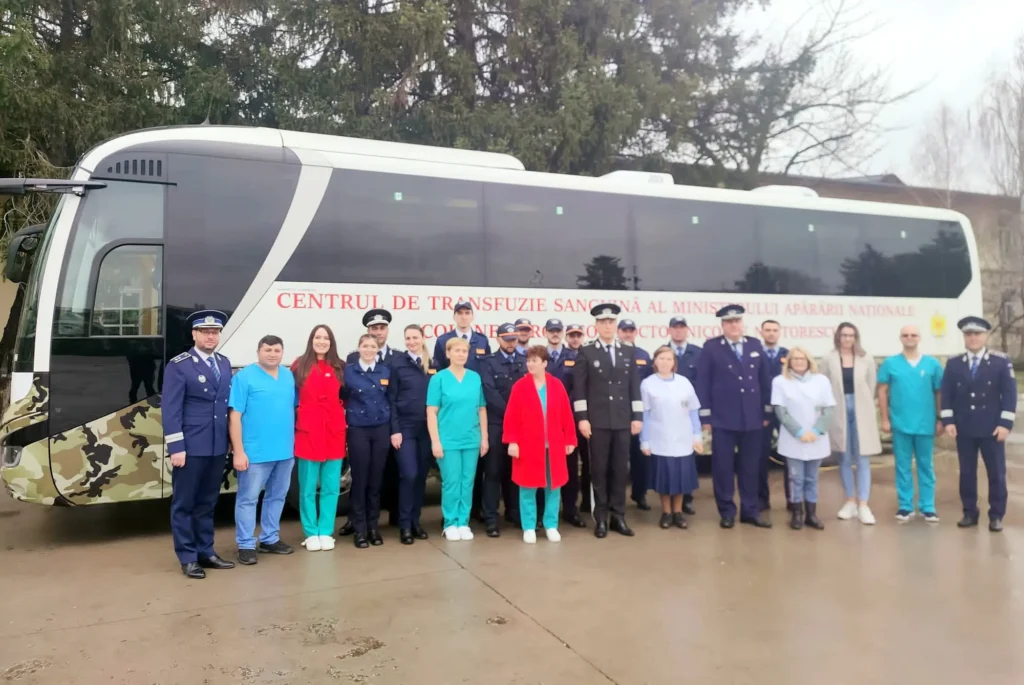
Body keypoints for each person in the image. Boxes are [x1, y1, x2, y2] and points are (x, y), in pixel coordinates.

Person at [163, 310, 235, 579]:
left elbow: (225, 407)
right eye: (205, 332)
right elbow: (171, 410)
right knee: (184, 504)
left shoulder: (224, 363)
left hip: (216, 446)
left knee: (207, 502)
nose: (210, 336)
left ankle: (206, 551)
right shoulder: (179, 365)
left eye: (215, 332)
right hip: (191, 447)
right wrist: (176, 447)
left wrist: (229, 441)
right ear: (194, 334)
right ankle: (188, 557)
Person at [695, 305, 772, 529]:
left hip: (752, 418)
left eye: (737, 321)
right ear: (723, 325)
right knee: (723, 468)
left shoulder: (754, 345)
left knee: (750, 467)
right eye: (729, 322)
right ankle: (727, 511)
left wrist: (766, 411)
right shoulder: (711, 348)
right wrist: (705, 417)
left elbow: (765, 381)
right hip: (723, 419)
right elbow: (703, 382)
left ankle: (750, 510)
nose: (734, 325)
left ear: (742, 323)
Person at [572, 303, 643, 538]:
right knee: (599, 470)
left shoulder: (628, 351)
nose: (607, 326)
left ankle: (618, 516)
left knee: (620, 470)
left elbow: (634, 386)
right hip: (598, 421)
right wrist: (583, 419)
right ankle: (601, 517)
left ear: (616, 325)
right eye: (603, 322)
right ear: (596, 325)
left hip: (622, 420)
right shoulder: (587, 351)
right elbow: (580, 388)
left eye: (611, 322)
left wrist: (637, 416)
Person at [941, 316, 1016, 532]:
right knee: (966, 473)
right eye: (968, 334)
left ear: (986, 336)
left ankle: (996, 515)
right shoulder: (954, 363)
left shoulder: (1001, 362)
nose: (973, 338)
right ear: (964, 337)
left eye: (977, 334)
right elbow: (947, 394)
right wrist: (948, 421)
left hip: (992, 428)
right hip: (964, 428)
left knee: (996, 473)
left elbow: (1009, 395)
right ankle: (969, 512)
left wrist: (1005, 424)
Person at [230, 335, 297, 565]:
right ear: (258, 351)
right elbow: (235, 417)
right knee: (248, 499)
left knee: (277, 496)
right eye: (267, 349)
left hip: (285, 451)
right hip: (255, 453)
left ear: (282, 352)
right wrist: (239, 451)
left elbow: (292, 409)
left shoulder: (288, 376)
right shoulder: (244, 377)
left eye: (277, 350)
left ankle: (269, 538)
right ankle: (246, 544)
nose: (272, 354)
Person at [503, 346, 577, 543]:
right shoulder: (520, 386)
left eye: (534, 360)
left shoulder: (556, 385)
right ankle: (528, 526)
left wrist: (570, 439)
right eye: (528, 360)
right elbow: (511, 416)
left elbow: (566, 415)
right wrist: (512, 441)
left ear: (545, 363)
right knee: (527, 486)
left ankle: (551, 525)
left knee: (553, 486)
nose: (530, 364)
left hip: (553, 445)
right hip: (527, 445)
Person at [340, 309, 398, 537]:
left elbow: (391, 398)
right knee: (360, 479)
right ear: (359, 347)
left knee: (376, 480)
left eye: (373, 347)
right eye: (365, 346)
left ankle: (373, 527)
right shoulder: (349, 369)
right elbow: (343, 395)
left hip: (381, 428)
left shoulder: (387, 368)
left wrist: (394, 429)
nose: (369, 349)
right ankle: (359, 527)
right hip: (358, 429)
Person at [878, 324, 944, 523]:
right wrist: (884, 418)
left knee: (926, 465)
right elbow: (882, 391)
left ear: (919, 338)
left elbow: (939, 392)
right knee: (902, 466)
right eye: (905, 335)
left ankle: (928, 506)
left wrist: (940, 418)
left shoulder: (932, 364)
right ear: (900, 338)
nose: (909, 338)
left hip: (925, 423)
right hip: (901, 423)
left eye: (913, 335)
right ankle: (905, 506)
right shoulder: (890, 363)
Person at [427, 336, 488, 541]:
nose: (461, 354)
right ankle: (450, 523)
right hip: (448, 440)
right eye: (457, 351)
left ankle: (463, 522)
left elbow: (481, 409)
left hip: (471, 439)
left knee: (467, 482)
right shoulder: (439, 379)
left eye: (464, 351)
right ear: (448, 353)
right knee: (452, 482)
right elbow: (431, 412)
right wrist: (435, 441)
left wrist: (484, 438)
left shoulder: (475, 378)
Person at [291, 325, 346, 552]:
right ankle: (311, 532)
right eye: (317, 337)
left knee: (331, 486)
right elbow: (291, 397)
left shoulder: (340, 366)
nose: (321, 341)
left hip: (333, 430)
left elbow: (347, 396)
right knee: (307, 486)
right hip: (309, 430)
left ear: (331, 342)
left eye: (326, 338)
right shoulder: (299, 365)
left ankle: (326, 530)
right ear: (311, 340)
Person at [820, 322, 881, 525]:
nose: (847, 339)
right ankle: (850, 501)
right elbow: (823, 385)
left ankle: (863, 504)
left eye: (851, 335)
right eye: (844, 335)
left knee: (862, 458)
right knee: (844, 457)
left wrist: (862, 402)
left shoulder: (866, 358)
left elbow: (871, 385)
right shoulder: (828, 358)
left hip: (861, 409)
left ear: (856, 337)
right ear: (838, 337)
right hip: (839, 409)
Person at [770, 347, 836, 531]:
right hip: (793, 439)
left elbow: (829, 409)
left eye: (802, 358)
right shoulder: (780, 381)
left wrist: (816, 431)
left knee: (812, 478)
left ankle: (811, 515)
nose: (799, 362)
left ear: (809, 361)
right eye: (795, 359)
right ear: (789, 362)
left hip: (816, 438)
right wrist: (799, 432)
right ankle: (797, 513)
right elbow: (781, 411)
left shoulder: (821, 380)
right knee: (796, 478)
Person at [639, 346, 703, 529]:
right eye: (661, 358)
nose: (665, 362)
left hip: (683, 437)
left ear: (674, 362)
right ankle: (666, 512)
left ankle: (678, 512)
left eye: (669, 359)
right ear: (655, 362)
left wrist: (697, 435)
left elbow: (693, 411)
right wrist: (645, 440)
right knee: (665, 479)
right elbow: (645, 414)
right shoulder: (647, 384)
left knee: (681, 479)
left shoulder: (684, 382)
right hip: (660, 438)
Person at [387, 324, 436, 544]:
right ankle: (404, 525)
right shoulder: (398, 364)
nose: (411, 342)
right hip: (405, 428)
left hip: (427, 428)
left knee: (421, 477)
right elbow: (391, 399)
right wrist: (395, 430)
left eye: (415, 337)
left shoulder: (433, 364)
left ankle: (416, 522)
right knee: (409, 474)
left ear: (423, 338)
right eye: (408, 338)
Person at [480, 323, 528, 536]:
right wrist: (512, 413)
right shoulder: (488, 362)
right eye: (507, 339)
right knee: (493, 471)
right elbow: (490, 393)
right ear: (498, 339)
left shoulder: (524, 361)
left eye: (514, 339)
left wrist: (518, 416)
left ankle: (514, 513)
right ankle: (491, 518)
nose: (511, 343)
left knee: (516, 471)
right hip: (497, 424)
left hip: (520, 425)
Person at [545, 319, 586, 528]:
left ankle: (570, 510)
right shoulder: (539, 356)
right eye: (551, 331)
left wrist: (566, 409)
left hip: (568, 419)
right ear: (545, 332)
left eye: (558, 331)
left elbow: (579, 387)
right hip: (544, 420)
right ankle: (543, 512)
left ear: (562, 333)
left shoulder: (575, 356)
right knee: (544, 467)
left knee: (570, 467)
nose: (555, 334)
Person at [665, 316, 701, 515]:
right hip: (667, 414)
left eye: (681, 327)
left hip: (688, 413)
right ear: (669, 330)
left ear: (687, 330)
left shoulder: (698, 353)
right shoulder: (663, 352)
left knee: (688, 458)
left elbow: (702, 383)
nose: (678, 331)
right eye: (675, 327)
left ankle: (687, 498)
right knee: (668, 458)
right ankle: (669, 499)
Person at [619, 319, 654, 512]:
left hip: (639, 414)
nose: (627, 334)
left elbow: (649, 385)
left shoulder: (643, 355)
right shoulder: (613, 353)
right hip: (618, 413)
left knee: (641, 457)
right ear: (618, 332)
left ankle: (640, 494)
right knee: (619, 459)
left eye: (630, 330)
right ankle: (616, 498)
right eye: (624, 330)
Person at [760, 319, 790, 512]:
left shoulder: (788, 355)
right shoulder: (755, 354)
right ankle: (762, 500)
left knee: (789, 456)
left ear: (779, 332)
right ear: (761, 332)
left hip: (784, 411)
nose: (771, 333)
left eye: (774, 330)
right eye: (767, 330)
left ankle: (793, 499)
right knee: (760, 457)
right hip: (761, 411)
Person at [565, 323, 592, 516]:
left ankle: (588, 503)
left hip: (587, 418)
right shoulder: (560, 358)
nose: (575, 339)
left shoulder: (590, 356)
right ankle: (571, 506)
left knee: (590, 463)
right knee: (571, 465)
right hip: (568, 420)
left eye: (578, 335)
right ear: (567, 337)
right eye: (572, 335)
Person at [433, 300, 491, 373]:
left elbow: (488, 367)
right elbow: (439, 368)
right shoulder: (443, 341)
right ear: (454, 317)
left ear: (472, 316)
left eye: (467, 313)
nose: (463, 317)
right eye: (459, 313)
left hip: (476, 380)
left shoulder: (482, 340)